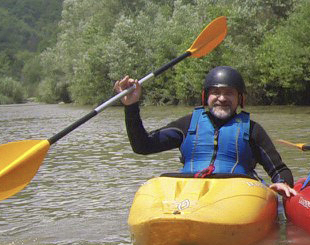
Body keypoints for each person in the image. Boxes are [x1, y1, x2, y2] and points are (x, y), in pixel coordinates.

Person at [114, 65, 297, 197]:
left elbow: (280, 170)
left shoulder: (252, 129)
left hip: (236, 196)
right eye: (216, 92)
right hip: (190, 193)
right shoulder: (187, 125)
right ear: (205, 97)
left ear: (240, 98)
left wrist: (282, 183)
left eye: (229, 93)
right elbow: (142, 146)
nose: (222, 98)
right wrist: (131, 107)